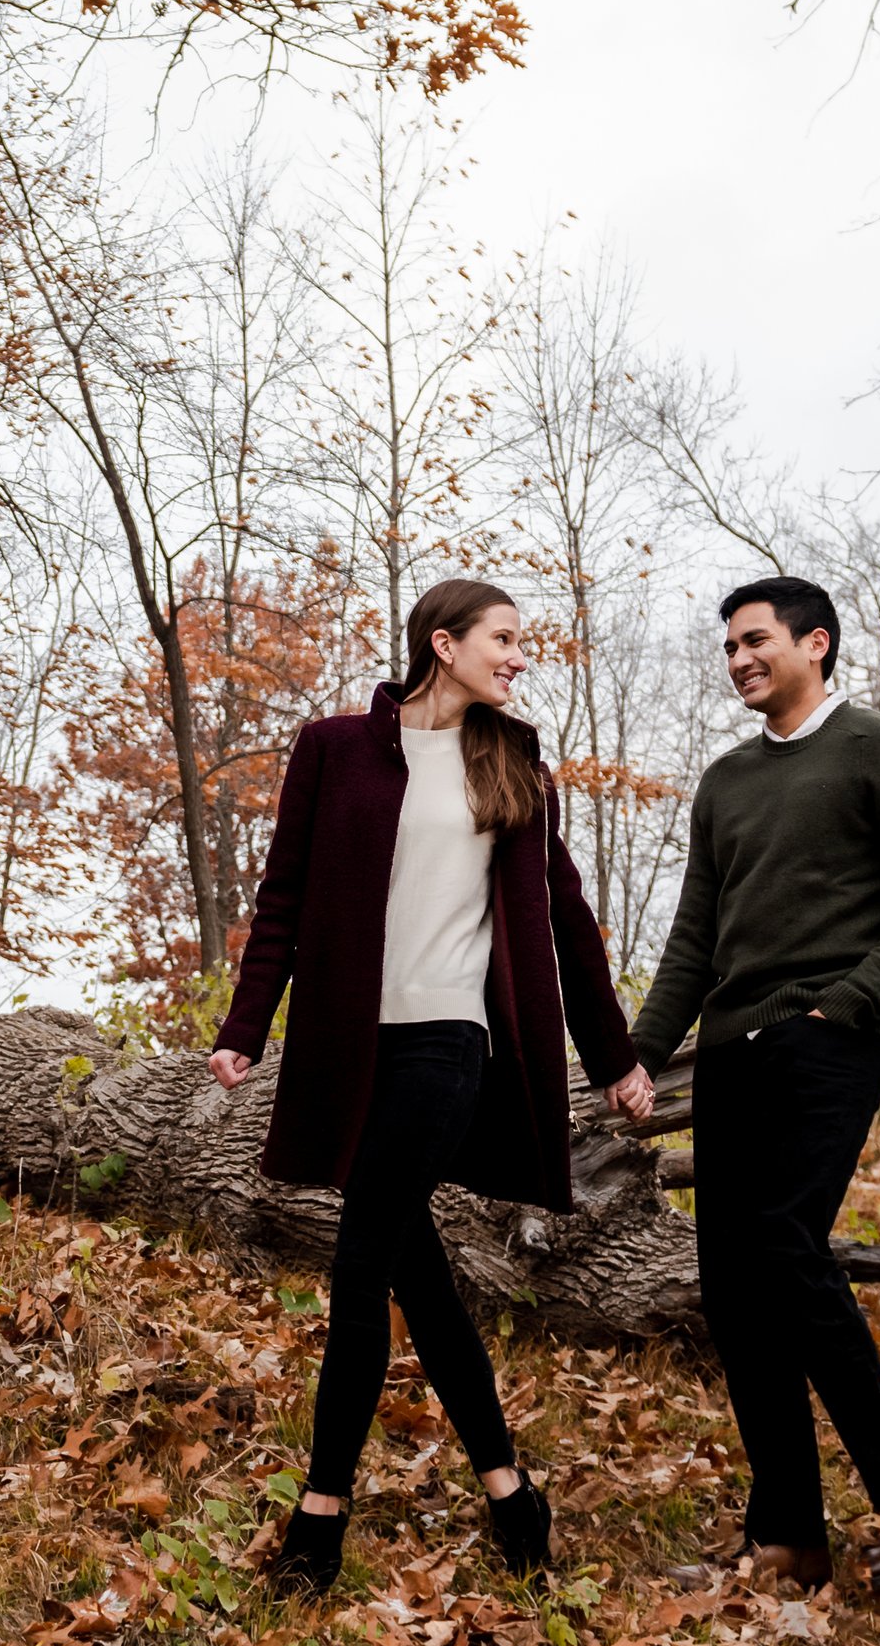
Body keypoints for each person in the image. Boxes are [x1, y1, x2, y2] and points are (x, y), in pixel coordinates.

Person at [208, 577, 654, 1594]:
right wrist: (244, 1027)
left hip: (450, 1048)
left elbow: (568, 922)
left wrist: (616, 1056)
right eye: (503, 639)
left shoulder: (514, 764)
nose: (518, 657)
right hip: (347, 1046)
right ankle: (509, 1492)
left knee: (360, 1265)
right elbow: (282, 894)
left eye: (520, 643)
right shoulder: (332, 750)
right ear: (441, 645)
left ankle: (318, 1522)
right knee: (417, 1272)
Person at [630, 578, 880, 1594]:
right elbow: (695, 937)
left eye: (756, 640)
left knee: (782, 1243)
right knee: (736, 1294)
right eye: (728, 645)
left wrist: (848, 1001)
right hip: (730, 1050)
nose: (737, 659)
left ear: (814, 644)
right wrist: (642, 1051)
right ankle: (785, 1537)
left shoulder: (878, 750)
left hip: (828, 1039)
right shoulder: (726, 781)